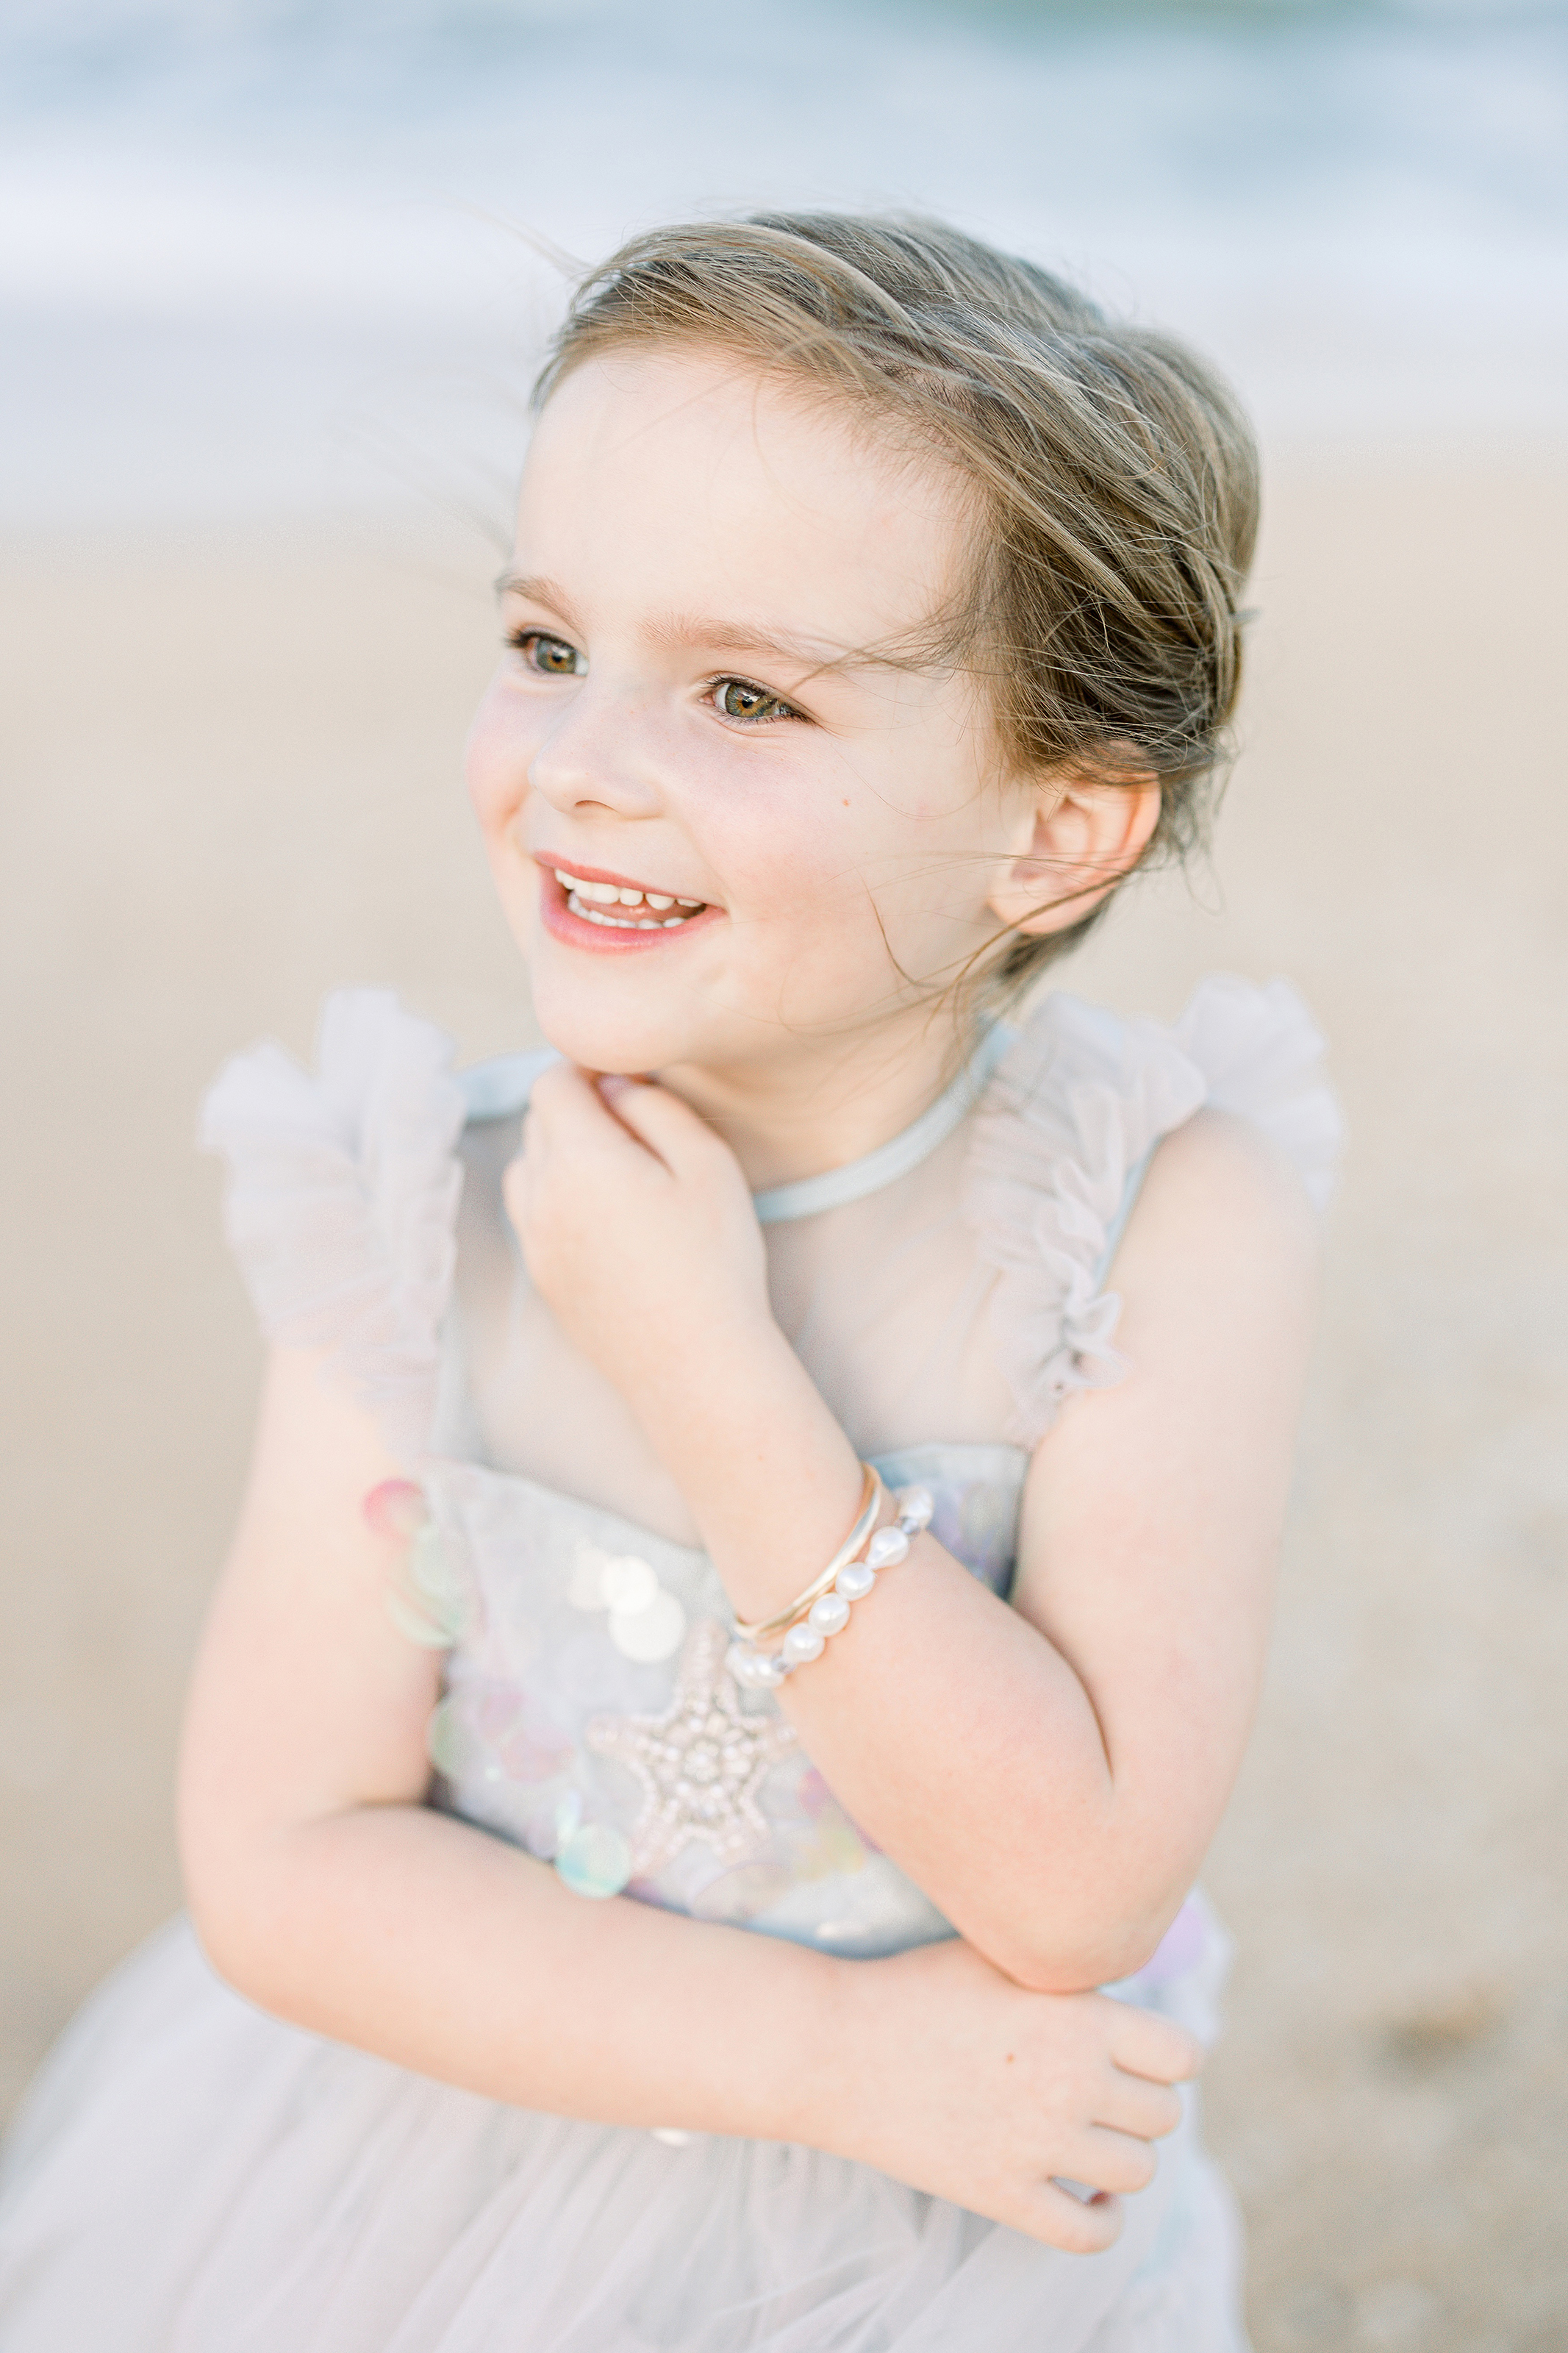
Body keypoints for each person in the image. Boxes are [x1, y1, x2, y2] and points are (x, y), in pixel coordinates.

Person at [0, 213, 1339, 2351]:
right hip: (438, 2163)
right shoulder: (419, 1214)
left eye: (743, 691)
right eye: (547, 645)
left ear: (1060, 828)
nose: (586, 763)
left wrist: (707, 1367)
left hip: (925, 2225)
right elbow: (284, 1857)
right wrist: (832, 2063)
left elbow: (1076, 1882)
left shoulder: (1157, 1210)